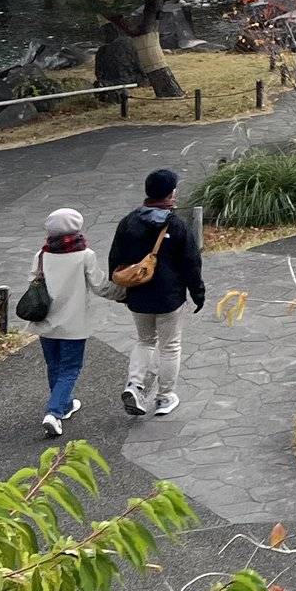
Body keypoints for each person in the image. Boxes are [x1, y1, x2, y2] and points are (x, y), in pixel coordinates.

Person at [110, 166, 205, 417]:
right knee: (170, 346)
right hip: (169, 296)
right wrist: (198, 293)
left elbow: (115, 259)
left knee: (144, 341)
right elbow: (191, 263)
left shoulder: (128, 221)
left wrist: (123, 290)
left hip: (138, 294)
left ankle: (134, 385)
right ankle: (164, 397)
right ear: (171, 194)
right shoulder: (176, 225)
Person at [30, 206, 117, 438]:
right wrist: (123, 292)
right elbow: (99, 286)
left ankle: (65, 405)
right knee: (70, 369)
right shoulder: (84, 255)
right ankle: (54, 412)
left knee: (55, 366)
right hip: (74, 324)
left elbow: (33, 281)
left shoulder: (41, 255)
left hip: (46, 323)